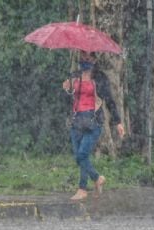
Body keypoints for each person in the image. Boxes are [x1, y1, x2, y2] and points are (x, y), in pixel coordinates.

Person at [62, 51, 125, 200]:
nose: (86, 59)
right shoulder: (74, 76)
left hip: (93, 122)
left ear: (95, 59)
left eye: (89, 57)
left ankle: (87, 185)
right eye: (83, 56)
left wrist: (118, 122)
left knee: (82, 154)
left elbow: (109, 100)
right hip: (76, 121)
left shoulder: (100, 78)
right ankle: (91, 183)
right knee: (80, 156)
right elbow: (67, 100)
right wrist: (66, 89)